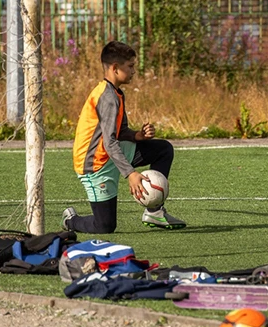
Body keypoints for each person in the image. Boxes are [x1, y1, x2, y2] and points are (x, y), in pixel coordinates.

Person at [62, 41, 186, 233]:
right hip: (95, 164)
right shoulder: (107, 97)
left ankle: (154, 211)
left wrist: (137, 135)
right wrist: (131, 174)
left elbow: (119, 133)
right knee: (104, 226)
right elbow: (109, 142)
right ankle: (71, 220)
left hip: (111, 152)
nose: (134, 71)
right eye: (130, 66)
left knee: (163, 149)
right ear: (115, 68)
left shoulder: (116, 93)